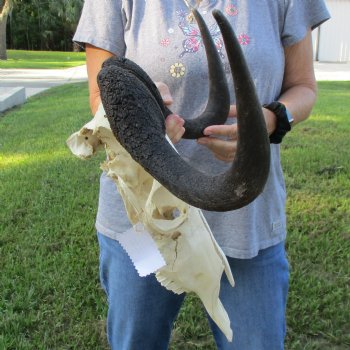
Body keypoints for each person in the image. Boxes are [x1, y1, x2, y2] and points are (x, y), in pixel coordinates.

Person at [73, 1, 330, 349]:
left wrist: (268, 121)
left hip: (247, 221)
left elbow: (304, 87)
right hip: (143, 218)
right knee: (136, 341)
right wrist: (143, 109)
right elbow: (102, 92)